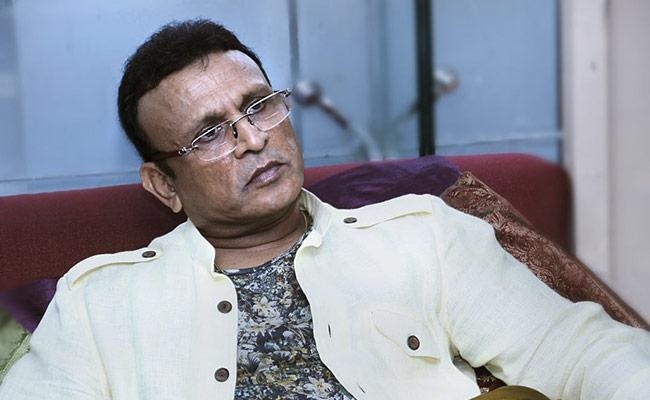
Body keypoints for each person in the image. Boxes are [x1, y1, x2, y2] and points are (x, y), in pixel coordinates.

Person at [1, 19, 649, 400]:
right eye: (211, 133)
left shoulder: (422, 237)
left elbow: (578, 350)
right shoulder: (98, 305)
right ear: (163, 185)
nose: (253, 139)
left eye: (259, 106)